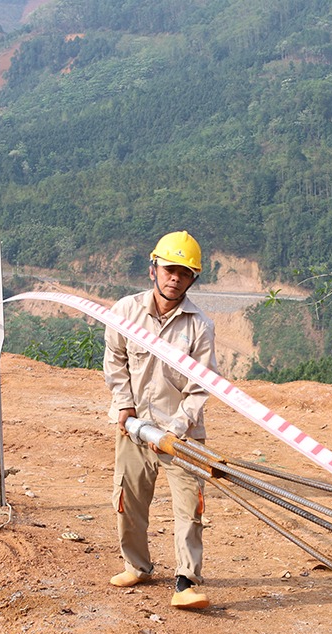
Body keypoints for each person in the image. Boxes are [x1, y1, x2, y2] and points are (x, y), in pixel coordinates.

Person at [102, 230, 218, 610]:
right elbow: (115, 360)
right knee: (129, 499)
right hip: (134, 427)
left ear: (193, 279)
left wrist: (175, 429)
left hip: (180, 434)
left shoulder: (199, 326)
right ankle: (137, 566)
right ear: (153, 269)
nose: (175, 278)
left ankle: (186, 581)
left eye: (184, 273)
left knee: (189, 506)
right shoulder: (126, 311)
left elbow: (202, 385)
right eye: (169, 270)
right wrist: (124, 406)